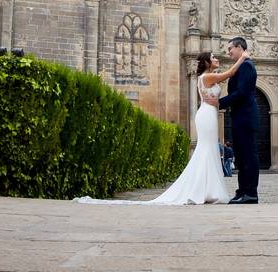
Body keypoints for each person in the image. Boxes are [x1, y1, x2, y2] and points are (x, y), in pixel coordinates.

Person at [76, 49, 246, 205]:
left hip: (208, 114)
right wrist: (242, 58)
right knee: (206, 149)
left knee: (208, 149)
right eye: (213, 57)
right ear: (207, 62)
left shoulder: (207, 76)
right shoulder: (206, 77)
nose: (216, 59)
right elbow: (230, 73)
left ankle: (207, 189)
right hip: (206, 115)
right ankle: (205, 190)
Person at [216, 36, 259, 204]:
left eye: (230, 49)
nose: (228, 52)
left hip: (246, 117)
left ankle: (251, 193)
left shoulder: (247, 66)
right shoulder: (242, 66)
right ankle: (242, 191)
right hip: (240, 116)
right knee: (241, 157)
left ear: (240, 47)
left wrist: (220, 102)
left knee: (249, 156)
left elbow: (241, 93)